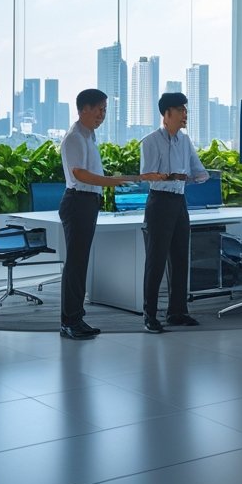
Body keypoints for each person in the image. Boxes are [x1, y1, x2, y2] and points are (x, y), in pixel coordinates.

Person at [58, 88, 165, 340]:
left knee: (80, 262)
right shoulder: (75, 137)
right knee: (75, 264)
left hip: (87, 202)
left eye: (105, 110)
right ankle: (69, 322)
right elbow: (80, 175)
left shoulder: (89, 136)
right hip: (78, 202)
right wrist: (118, 180)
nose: (102, 115)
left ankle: (76, 318)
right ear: (84, 109)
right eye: (99, 109)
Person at [139, 92, 210, 334]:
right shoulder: (150, 142)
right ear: (166, 114)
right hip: (159, 202)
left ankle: (177, 312)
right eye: (180, 110)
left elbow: (197, 170)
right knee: (156, 260)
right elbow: (148, 175)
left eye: (186, 110)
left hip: (180, 202)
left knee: (181, 258)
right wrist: (173, 176)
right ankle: (149, 315)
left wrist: (199, 177)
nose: (185, 115)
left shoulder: (185, 141)